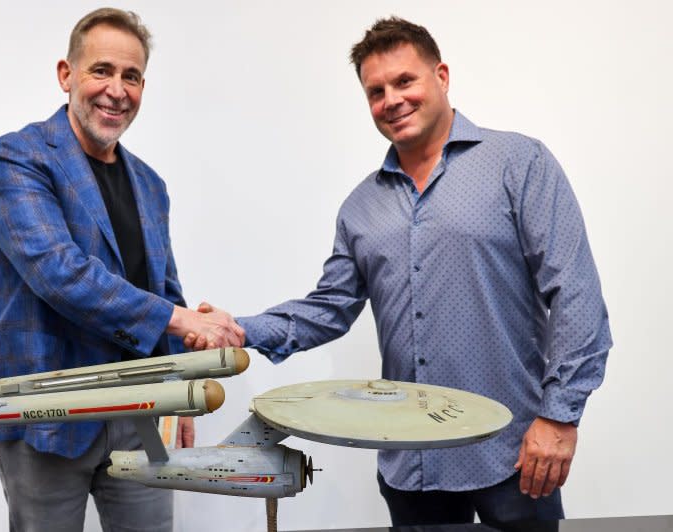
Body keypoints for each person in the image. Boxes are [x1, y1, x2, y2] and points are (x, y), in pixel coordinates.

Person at [188, 17, 611, 528]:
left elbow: (577, 295)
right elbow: (328, 309)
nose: (392, 99)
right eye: (376, 91)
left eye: (404, 81)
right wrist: (239, 328)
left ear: (442, 76)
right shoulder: (361, 207)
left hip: (515, 453)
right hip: (413, 465)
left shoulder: (519, 164)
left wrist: (559, 416)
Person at [0, 8, 244, 532]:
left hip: (138, 414)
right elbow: (61, 274)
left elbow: (165, 290)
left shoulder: (150, 185)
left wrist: (183, 389)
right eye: (101, 70)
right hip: (46, 421)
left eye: (132, 76)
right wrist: (184, 319)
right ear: (66, 74)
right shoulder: (14, 160)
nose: (116, 90)